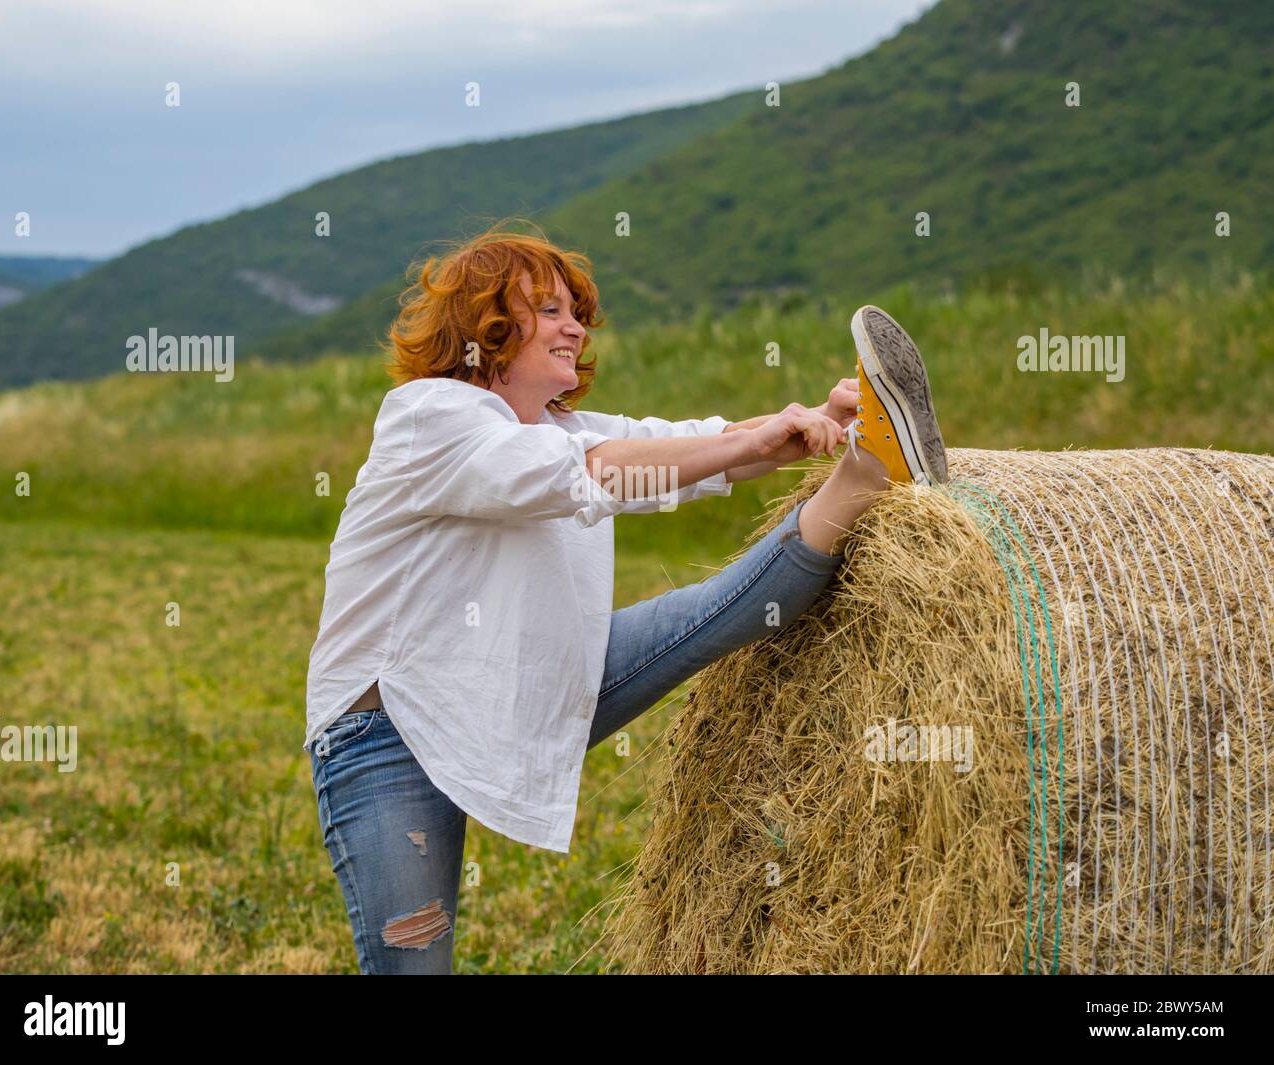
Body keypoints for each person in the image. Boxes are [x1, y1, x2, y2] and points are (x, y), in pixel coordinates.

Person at [303, 225, 947, 974]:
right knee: (415, 968)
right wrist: (757, 439)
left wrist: (811, 426)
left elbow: (674, 448)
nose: (575, 324)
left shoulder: (559, 426)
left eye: (576, 310)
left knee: (718, 608)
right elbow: (592, 473)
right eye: (548, 310)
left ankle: (866, 471)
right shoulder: (428, 417)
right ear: (485, 325)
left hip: (524, 684)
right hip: (388, 731)